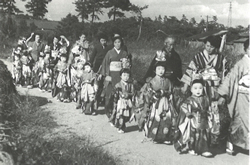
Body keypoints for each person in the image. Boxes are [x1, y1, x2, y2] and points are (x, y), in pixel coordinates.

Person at [216, 39, 249, 154]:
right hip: (241, 96)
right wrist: (223, 95)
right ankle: (230, 141)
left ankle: (244, 144)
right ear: (246, 50)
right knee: (240, 120)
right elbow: (230, 79)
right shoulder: (241, 64)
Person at [174, 79, 213, 157]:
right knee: (193, 135)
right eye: (195, 88)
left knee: (203, 134)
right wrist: (187, 113)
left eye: (200, 88)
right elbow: (183, 106)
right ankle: (192, 148)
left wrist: (210, 114)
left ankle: (204, 149)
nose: (198, 90)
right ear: (191, 89)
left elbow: (209, 108)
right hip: (193, 119)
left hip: (203, 119)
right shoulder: (189, 99)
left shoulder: (206, 99)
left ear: (203, 89)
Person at [143, 61, 177, 144]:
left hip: (166, 102)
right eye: (158, 69)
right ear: (155, 70)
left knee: (167, 118)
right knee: (156, 118)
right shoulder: (152, 81)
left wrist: (168, 95)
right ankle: (156, 137)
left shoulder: (168, 81)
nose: (161, 71)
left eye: (163, 68)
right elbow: (148, 93)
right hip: (156, 103)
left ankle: (166, 137)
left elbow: (171, 91)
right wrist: (154, 96)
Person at [99, 35, 131, 118]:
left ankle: (118, 111)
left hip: (121, 76)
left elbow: (127, 66)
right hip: (111, 75)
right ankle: (108, 110)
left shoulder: (124, 53)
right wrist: (106, 75)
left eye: (119, 42)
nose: (117, 44)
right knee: (110, 94)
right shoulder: (109, 53)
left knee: (121, 94)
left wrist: (127, 69)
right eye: (115, 42)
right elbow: (105, 64)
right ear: (113, 43)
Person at [110, 68, 135, 133]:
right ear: (121, 76)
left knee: (126, 115)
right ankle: (120, 126)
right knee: (120, 114)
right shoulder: (118, 84)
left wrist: (128, 94)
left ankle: (122, 125)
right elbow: (114, 93)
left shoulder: (130, 85)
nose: (126, 77)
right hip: (120, 101)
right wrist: (118, 94)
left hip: (127, 101)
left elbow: (133, 93)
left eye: (127, 75)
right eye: (124, 75)